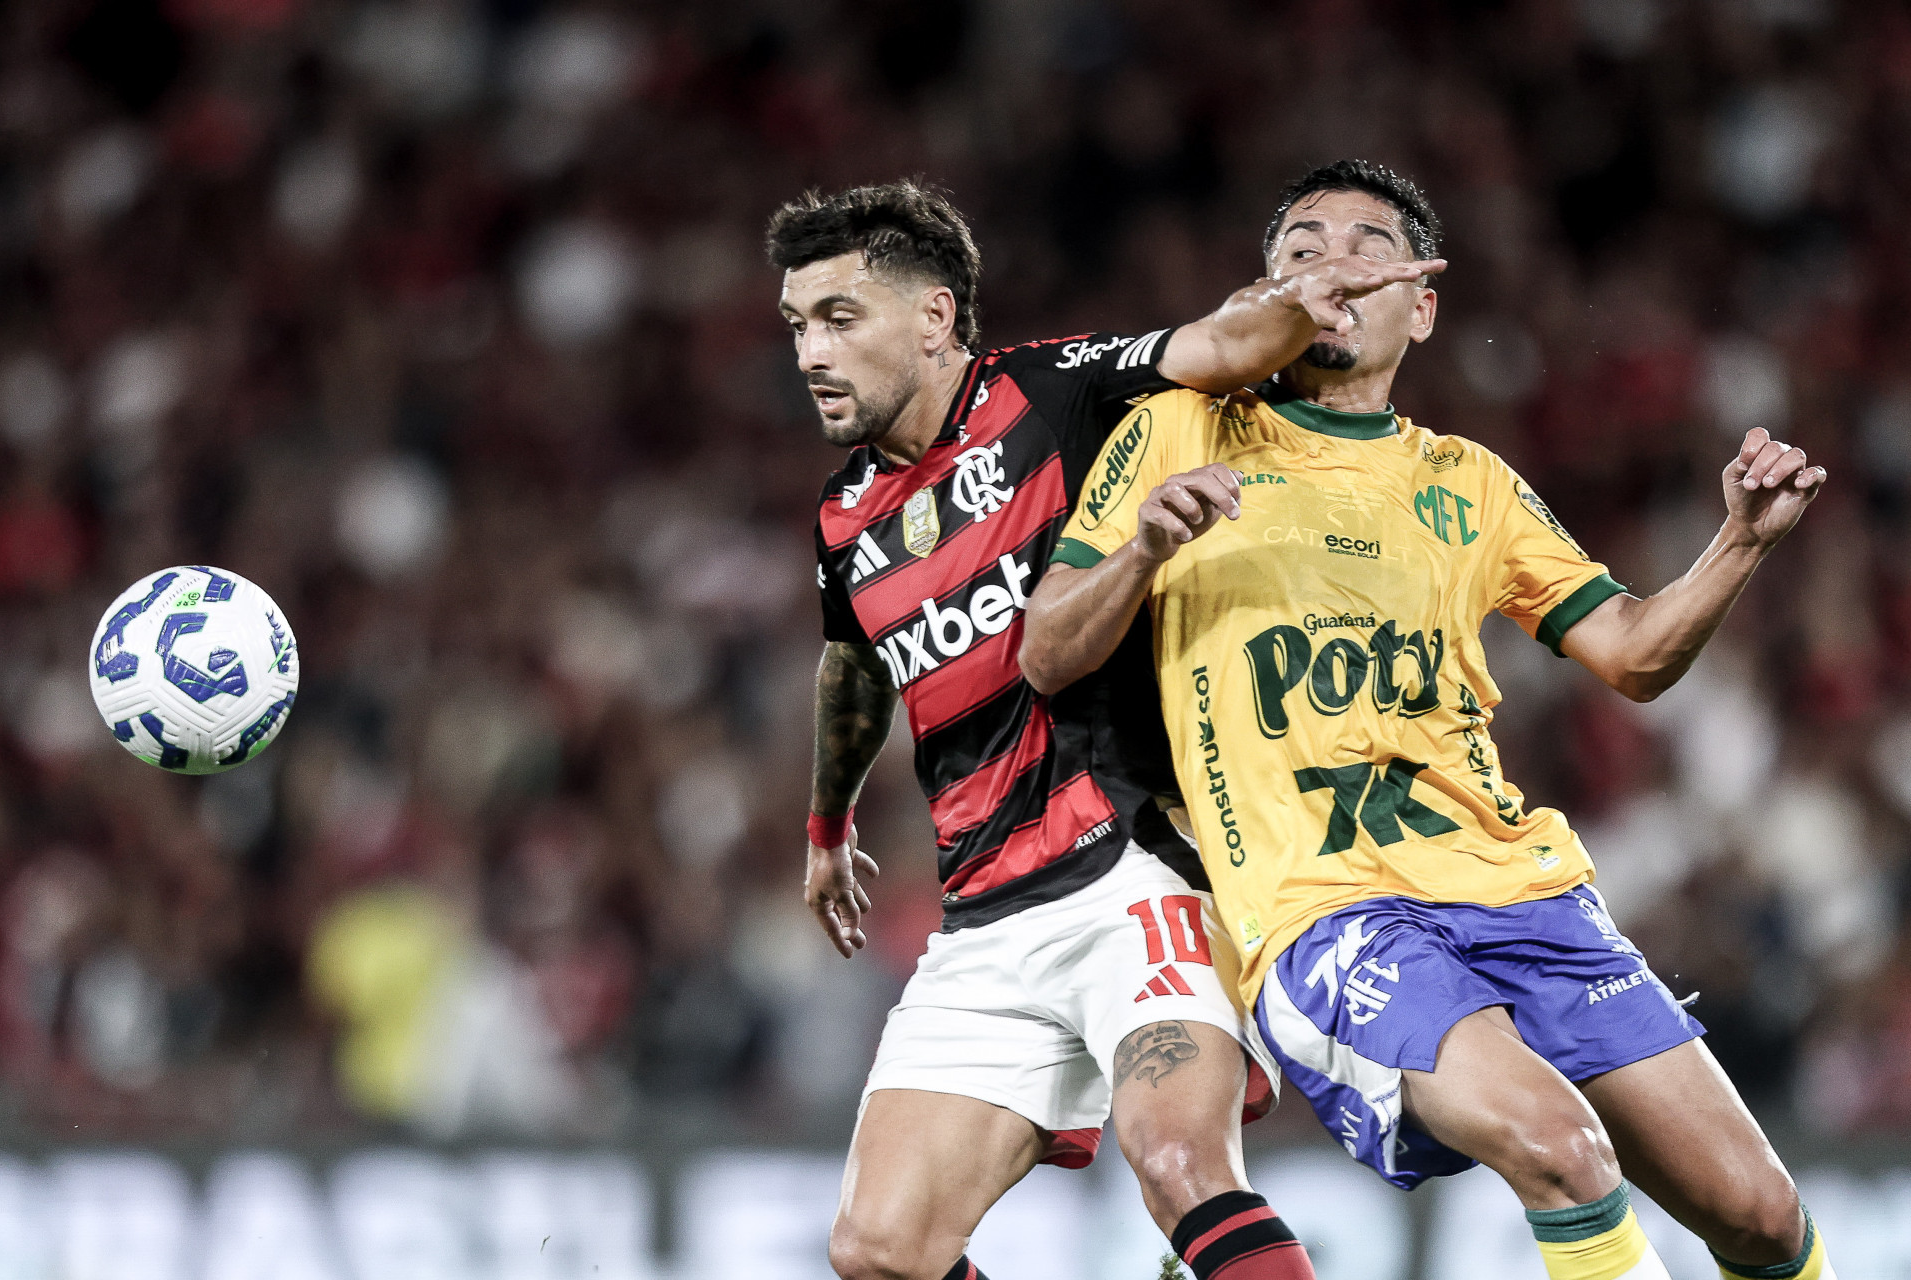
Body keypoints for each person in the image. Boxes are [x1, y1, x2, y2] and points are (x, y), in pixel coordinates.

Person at [1020, 159, 1838, 1280]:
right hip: (1327, 905)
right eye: (1298, 251)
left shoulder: (1473, 483)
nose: (1331, 268)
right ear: (1263, 296)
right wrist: (1145, 546)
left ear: (1424, 302)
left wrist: (1739, 541)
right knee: (1560, 1147)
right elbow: (1047, 649)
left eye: (1365, 245)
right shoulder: (1180, 431)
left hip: (1517, 883)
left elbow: (1637, 655)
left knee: (1758, 1211)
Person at [774, 179, 1443, 1280]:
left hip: (1136, 869)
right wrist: (825, 821)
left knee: (1180, 1158)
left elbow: (1219, 342)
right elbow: (853, 660)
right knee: (881, 1246)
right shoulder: (845, 515)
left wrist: (1298, 297)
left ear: (935, 317)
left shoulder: (1051, 393)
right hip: (986, 914)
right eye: (798, 324)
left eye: (839, 319)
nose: (810, 351)